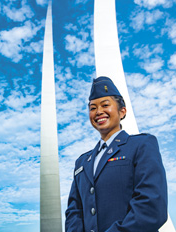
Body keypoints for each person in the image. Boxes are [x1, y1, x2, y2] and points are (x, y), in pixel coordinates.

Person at [65, 76, 168, 232]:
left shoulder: (141, 145)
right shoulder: (82, 162)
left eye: (105, 105)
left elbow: (151, 206)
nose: (98, 112)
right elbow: (74, 211)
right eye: (92, 108)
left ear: (122, 111)